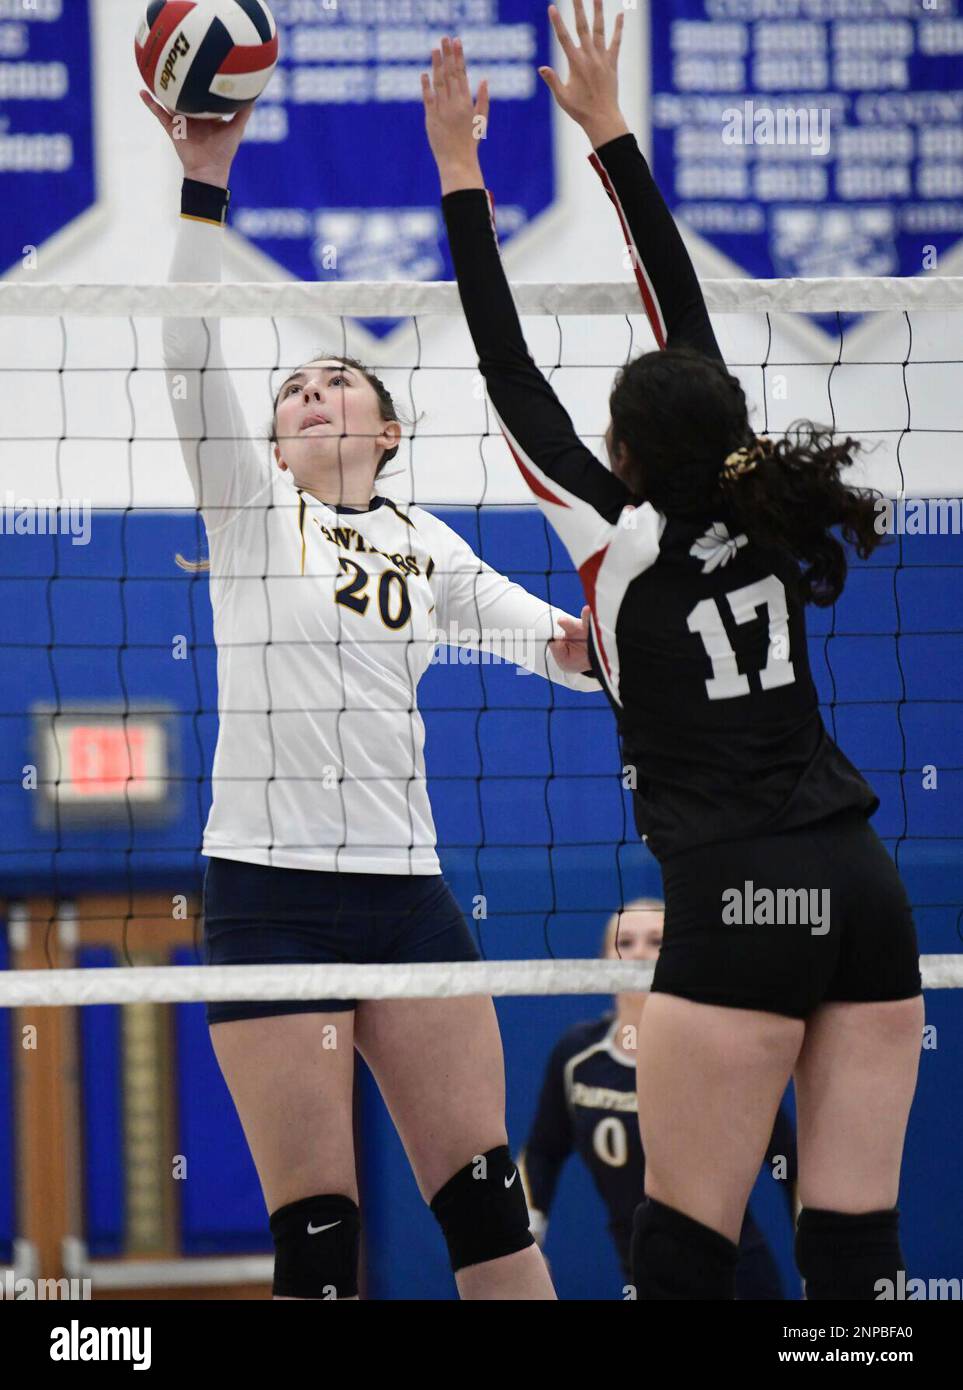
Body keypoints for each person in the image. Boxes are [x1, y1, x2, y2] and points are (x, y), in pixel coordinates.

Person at [422, 1, 924, 1300]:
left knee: (682, 1251)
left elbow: (504, 368)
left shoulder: (610, 541)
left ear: (626, 454)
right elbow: (678, 307)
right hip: (862, 885)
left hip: (738, 896)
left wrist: (462, 180)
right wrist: (608, 132)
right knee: (851, 1251)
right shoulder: (760, 494)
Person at [143, 86, 601, 1301]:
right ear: (278, 443)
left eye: (334, 383)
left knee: (490, 1212)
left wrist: (642, 624)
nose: (305, 394)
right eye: (291, 392)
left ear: (387, 430)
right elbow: (185, 346)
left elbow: (557, 642)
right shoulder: (249, 511)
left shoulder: (430, 543)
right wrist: (205, 178)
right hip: (269, 898)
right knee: (321, 1238)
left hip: (408, 898)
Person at [520, 900, 798, 1298]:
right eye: (625, 942)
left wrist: (817, 1267)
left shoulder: (719, 1056)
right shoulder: (577, 1058)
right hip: (644, 1279)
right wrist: (524, 1241)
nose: (638, 953)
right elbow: (542, 1153)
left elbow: (790, 1163)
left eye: (656, 942)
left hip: (736, 1280)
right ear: (601, 962)